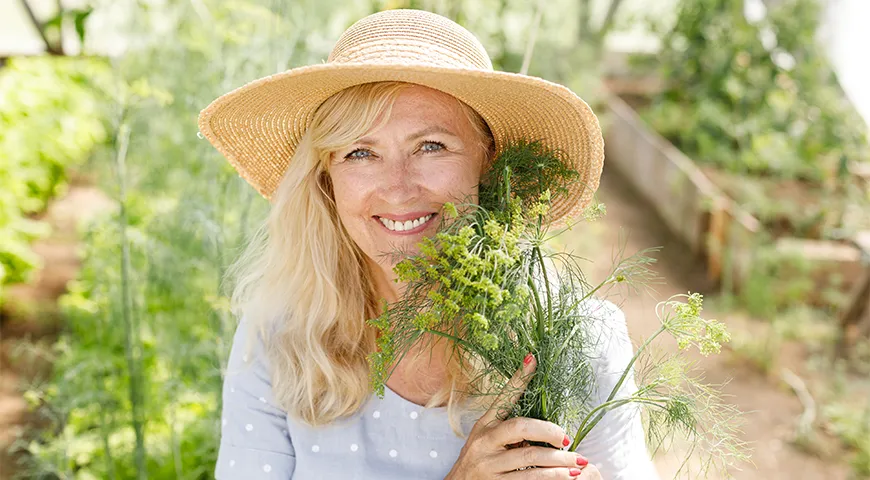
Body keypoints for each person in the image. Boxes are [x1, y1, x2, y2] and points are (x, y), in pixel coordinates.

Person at [199, 9, 659, 480]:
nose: (398, 189)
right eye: (361, 152)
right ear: (326, 179)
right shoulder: (280, 337)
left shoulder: (574, 335)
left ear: (488, 160)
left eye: (431, 146)